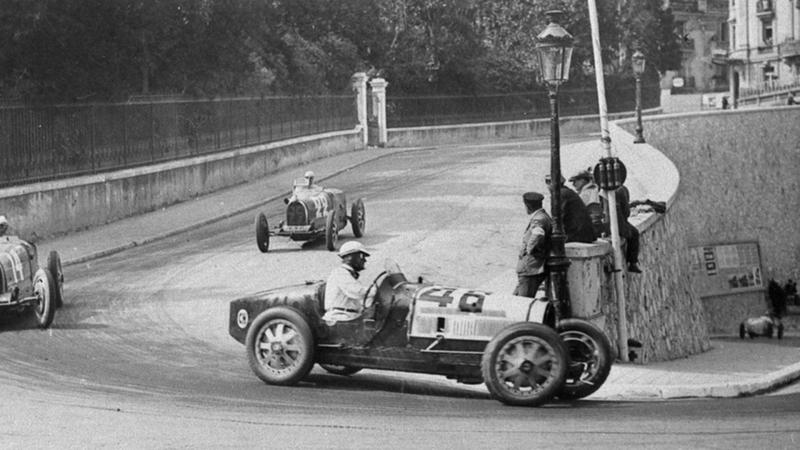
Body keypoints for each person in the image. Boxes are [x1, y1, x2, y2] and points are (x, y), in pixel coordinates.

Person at [322, 241, 375, 323]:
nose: (364, 260)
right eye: (361, 256)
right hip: (340, 317)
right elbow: (357, 292)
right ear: (350, 257)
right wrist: (377, 290)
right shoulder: (340, 273)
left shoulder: (349, 275)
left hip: (349, 316)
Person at [514, 192, 552, 298]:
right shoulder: (543, 216)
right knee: (515, 299)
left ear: (528, 206)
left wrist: (528, 250)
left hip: (531, 268)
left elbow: (538, 234)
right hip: (530, 267)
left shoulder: (538, 219)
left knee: (522, 302)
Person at [545, 174, 596, 243]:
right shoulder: (567, 192)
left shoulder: (560, 194)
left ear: (550, 183)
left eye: (548, 183)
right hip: (584, 234)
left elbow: (558, 218)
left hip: (578, 235)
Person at [602, 185, 642, 273]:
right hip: (617, 223)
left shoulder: (598, 190)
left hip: (604, 223)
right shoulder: (621, 189)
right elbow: (626, 212)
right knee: (634, 233)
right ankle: (632, 263)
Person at [569, 169, 604, 238]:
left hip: (591, 227)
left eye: (575, 181)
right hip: (594, 227)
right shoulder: (592, 190)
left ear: (582, 180)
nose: (573, 184)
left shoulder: (587, 193)